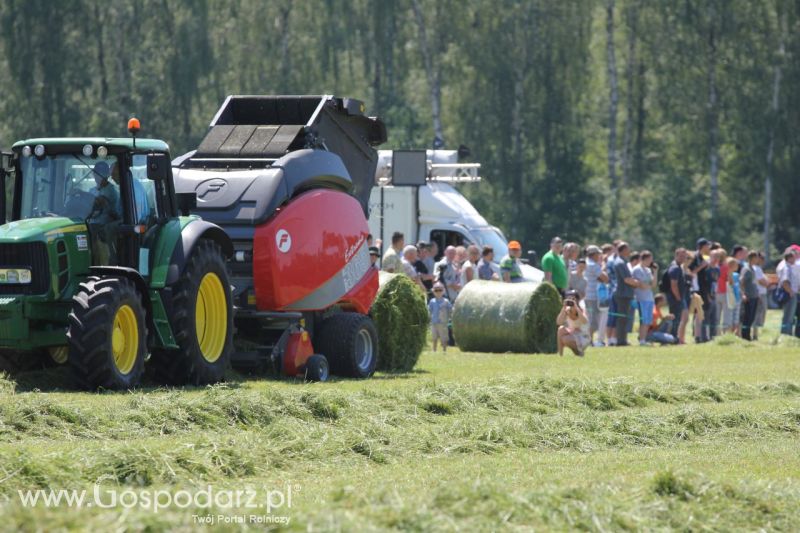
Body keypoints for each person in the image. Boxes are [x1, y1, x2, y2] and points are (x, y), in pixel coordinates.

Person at [88, 161, 121, 265]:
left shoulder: (111, 191)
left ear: (106, 175)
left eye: (100, 174)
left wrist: (97, 201)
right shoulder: (91, 190)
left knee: (92, 232)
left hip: (104, 224)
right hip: (90, 221)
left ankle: (99, 263)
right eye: (96, 173)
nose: (97, 176)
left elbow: (100, 203)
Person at [610, 242, 639, 346]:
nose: (629, 250)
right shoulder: (620, 263)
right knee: (622, 318)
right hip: (622, 294)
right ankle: (620, 341)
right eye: (627, 249)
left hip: (625, 293)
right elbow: (626, 279)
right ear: (623, 250)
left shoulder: (622, 261)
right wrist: (638, 283)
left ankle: (622, 339)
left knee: (624, 318)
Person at [582, 245, 609, 347]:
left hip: (588, 294)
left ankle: (589, 341)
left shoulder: (587, 263)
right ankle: (589, 341)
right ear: (594, 254)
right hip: (593, 296)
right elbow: (605, 278)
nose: (599, 256)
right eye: (598, 254)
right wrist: (604, 265)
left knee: (590, 318)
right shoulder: (593, 265)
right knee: (593, 320)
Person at [689, 238, 713, 342]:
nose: (709, 248)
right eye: (707, 245)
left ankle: (702, 335)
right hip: (696, 289)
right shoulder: (694, 257)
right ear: (702, 246)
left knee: (702, 313)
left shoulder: (704, 257)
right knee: (698, 313)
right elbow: (691, 272)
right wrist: (702, 266)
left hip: (703, 288)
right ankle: (697, 336)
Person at [664, 247, 689, 343]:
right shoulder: (675, 268)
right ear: (676, 255)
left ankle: (673, 338)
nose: (683, 258)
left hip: (677, 298)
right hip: (675, 298)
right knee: (675, 319)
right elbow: (673, 285)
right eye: (681, 256)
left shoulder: (678, 267)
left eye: (685, 256)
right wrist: (678, 298)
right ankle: (672, 338)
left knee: (677, 319)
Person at [632, 251, 657, 346]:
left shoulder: (648, 270)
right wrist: (647, 285)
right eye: (650, 259)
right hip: (641, 298)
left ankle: (644, 338)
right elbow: (641, 285)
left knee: (648, 320)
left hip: (649, 298)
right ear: (645, 259)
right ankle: (641, 340)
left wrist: (655, 272)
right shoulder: (636, 270)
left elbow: (653, 284)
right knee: (643, 320)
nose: (651, 261)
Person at [556, 290, 590, 356]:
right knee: (560, 329)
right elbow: (558, 322)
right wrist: (563, 308)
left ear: (577, 300)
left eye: (573, 299)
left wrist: (576, 308)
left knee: (565, 339)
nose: (570, 301)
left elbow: (585, 321)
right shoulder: (567, 310)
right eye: (568, 299)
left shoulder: (582, 309)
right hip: (573, 335)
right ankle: (561, 355)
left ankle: (579, 353)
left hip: (583, 337)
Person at [740, 251, 760, 341]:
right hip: (749, 297)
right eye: (756, 257)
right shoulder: (746, 269)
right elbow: (742, 282)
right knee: (747, 317)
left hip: (754, 296)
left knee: (751, 317)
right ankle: (745, 336)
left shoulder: (753, 269)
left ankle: (748, 336)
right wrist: (743, 294)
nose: (757, 259)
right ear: (752, 258)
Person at [776, 250, 797, 335]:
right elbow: (784, 282)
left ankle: (787, 333)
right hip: (788, 294)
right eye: (793, 258)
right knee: (788, 316)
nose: (795, 260)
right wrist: (791, 292)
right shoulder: (786, 268)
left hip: (788, 293)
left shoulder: (787, 266)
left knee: (789, 316)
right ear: (789, 258)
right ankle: (785, 334)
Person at [428, 282, 452, 352]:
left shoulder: (446, 301)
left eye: (440, 290)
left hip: (443, 322)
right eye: (436, 290)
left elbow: (450, 310)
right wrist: (429, 318)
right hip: (434, 322)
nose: (438, 292)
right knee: (434, 337)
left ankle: (444, 350)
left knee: (443, 337)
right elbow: (429, 310)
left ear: (443, 291)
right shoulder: (432, 301)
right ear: (433, 291)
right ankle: (434, 349)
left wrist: (450, 317)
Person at [753, 252, 769, 340]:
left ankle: (756, 333)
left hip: (761, 293)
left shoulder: (758, 268)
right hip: (760, 294)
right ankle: (755, 334)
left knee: (759, 313)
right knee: (758, 313)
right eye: (762, 258)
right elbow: (761, 281)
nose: (763, 260)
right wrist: (767, 283)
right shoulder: (757, 269)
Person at [725, 257, 742, 335]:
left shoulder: (737, 275)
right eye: (736, 265)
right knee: (730, 317)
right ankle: (729, 333)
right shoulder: (727, 275)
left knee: (736, 318)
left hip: (737, 298)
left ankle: (736, 333)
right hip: (730, 299)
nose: (738, 266)